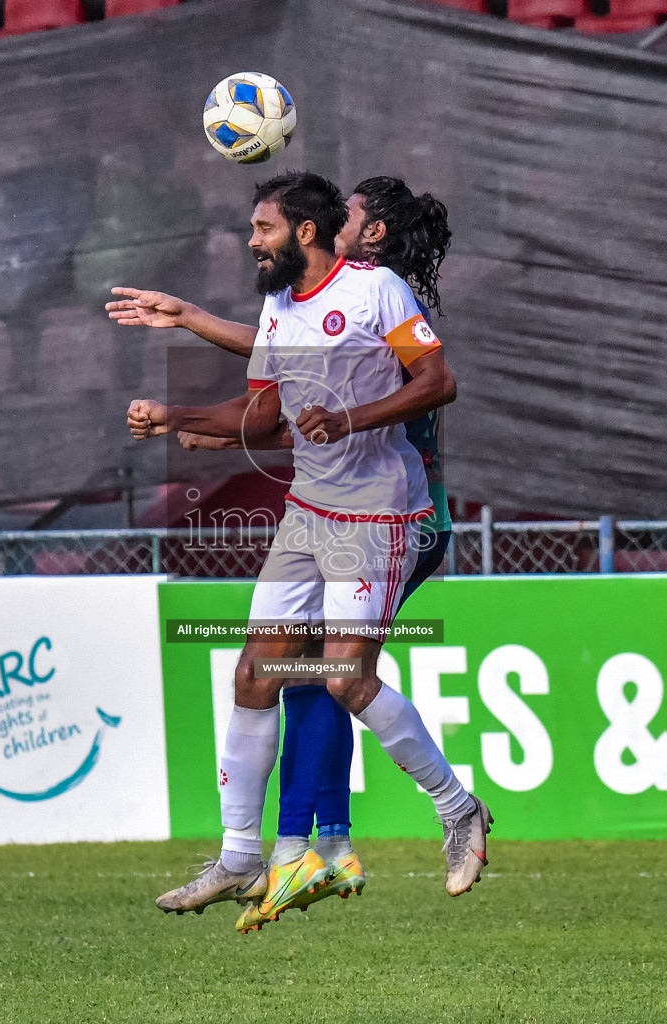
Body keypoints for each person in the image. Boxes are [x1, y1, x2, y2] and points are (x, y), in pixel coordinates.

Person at [120, 171, 491, 934]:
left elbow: (438, 382)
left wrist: (351, 419)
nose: (251, 242)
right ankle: (239, 857)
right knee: (257, 673)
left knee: (346, 681)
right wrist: (177, 416)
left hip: (377, 513)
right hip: (307, 514)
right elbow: (260, 413)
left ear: (305, 233)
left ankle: (457, 810)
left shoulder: (379, 290)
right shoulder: (280, 304)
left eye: (262, 230)